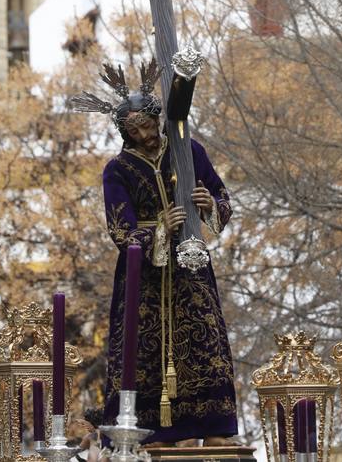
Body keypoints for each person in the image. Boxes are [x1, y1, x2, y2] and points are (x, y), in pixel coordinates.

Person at [70, 63, 238, 447]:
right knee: (142, 354)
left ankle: (210, 427)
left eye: (149, 125)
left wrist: (207, 205)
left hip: (190, 269)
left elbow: (223, 196)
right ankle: (147, 432)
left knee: (202, 342)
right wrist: (160, 225)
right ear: (124, 133)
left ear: (158, 118)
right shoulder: (117, 170)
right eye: (136, 131)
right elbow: (120, 230)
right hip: (142, 278)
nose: (146, 135)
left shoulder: (187, 151)